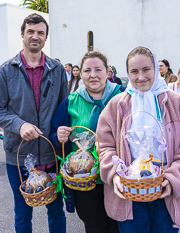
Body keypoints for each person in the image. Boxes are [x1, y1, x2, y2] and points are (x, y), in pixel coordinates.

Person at [97, 46, 180, 232]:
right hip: (128, 192)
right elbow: (104, 146)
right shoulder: (117, 105)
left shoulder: (174, 102)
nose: (140, 76)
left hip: (165, 193)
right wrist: (115, 174)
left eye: (146, 69)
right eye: (134, 71)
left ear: (156, 69)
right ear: (127, 73)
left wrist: (174, 178)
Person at [0, 13, 68, 233]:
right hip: (19, 156)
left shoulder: (58, 70)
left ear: (45, 37)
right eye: (31, 32)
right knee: (23, 213)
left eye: (40, 33)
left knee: (56, 211)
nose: (35, 36)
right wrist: (19, 124)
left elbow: (64, 108)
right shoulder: (6, 71)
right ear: (22, 34)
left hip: (52, 154)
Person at [50, 51, 125, 233]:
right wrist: (58, 135)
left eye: (98, 70)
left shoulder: (123, 96)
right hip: (85, 179)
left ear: (108, 72)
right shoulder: (71, 101)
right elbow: (54, 136)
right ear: (80, 74)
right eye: (87, 70)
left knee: (119, 226)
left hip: (118, 175)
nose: (92, 75)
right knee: (94, 226)